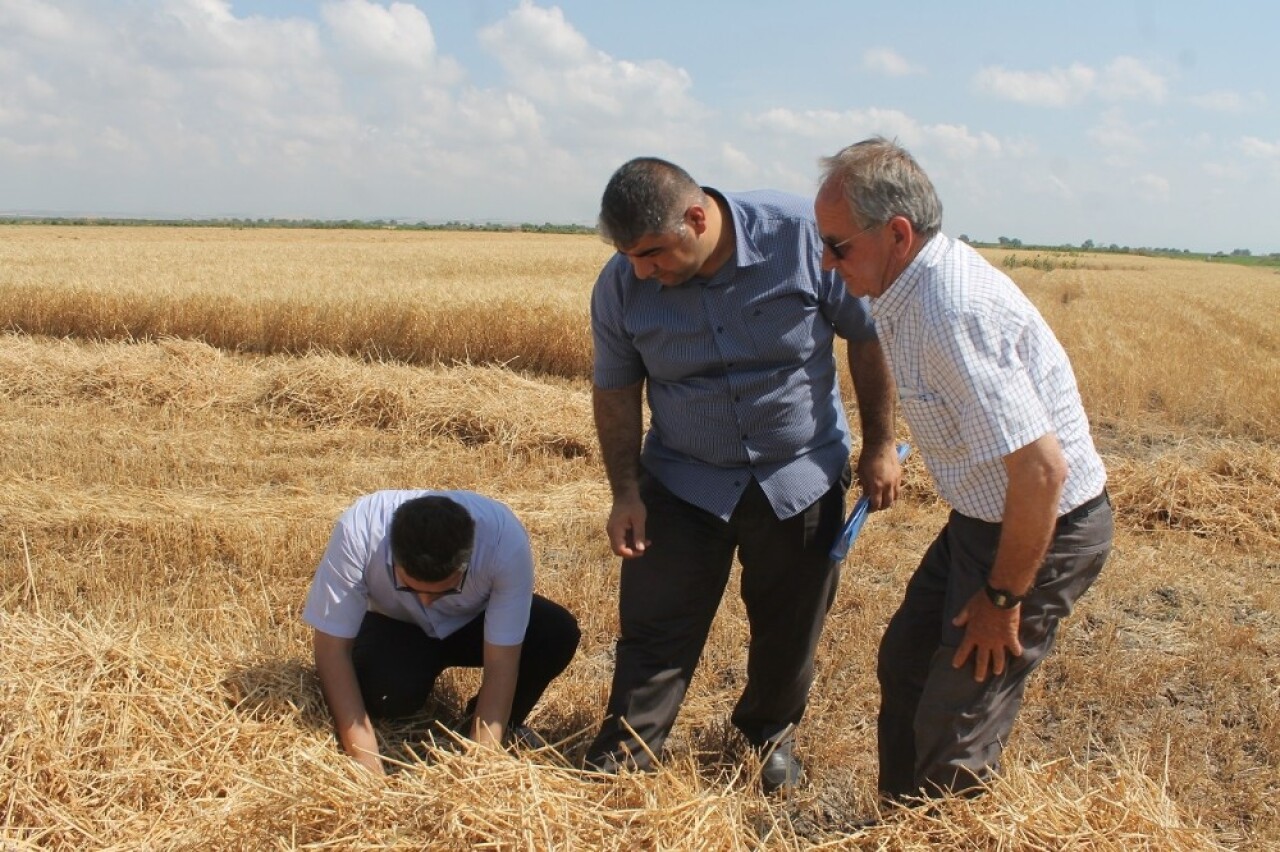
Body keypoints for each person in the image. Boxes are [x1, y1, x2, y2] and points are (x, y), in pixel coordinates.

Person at [584, 156, 902, 793]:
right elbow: (616, 389)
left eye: (652, 253)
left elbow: (867, 337)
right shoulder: (622, 285)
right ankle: (628, 753)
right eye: (629, 255)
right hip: (681, 480)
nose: (642, 270)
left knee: (789, 627)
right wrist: (624, 492)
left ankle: (768, 737)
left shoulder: (801, 238)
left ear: (697, 219)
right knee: (655, 626)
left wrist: (881, 444)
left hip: (801, 474)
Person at [814, 137, 1114, 802]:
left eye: (838, 247)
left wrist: (1003, 600)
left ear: (897, 233)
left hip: (1042, 527)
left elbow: (1042, 473)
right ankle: (901, 825)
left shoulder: (950, 310)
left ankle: (940, 828)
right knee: (908, 665)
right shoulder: (906, 287)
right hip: (982, 518)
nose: (828, 266)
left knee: (957, 722)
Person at [302, 490, 580, 775]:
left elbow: (502, 664)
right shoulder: (359, 530)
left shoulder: (503, 542)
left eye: (444, 591)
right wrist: (367, 764)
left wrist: (482, 766)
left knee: (555, 633)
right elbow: (332, 651)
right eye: (410, 588)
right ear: (393, 558)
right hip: (395, 625)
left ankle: (497, 724)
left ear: (466, 564)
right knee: (388, 696)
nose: (425, 602)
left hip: (471, 622)